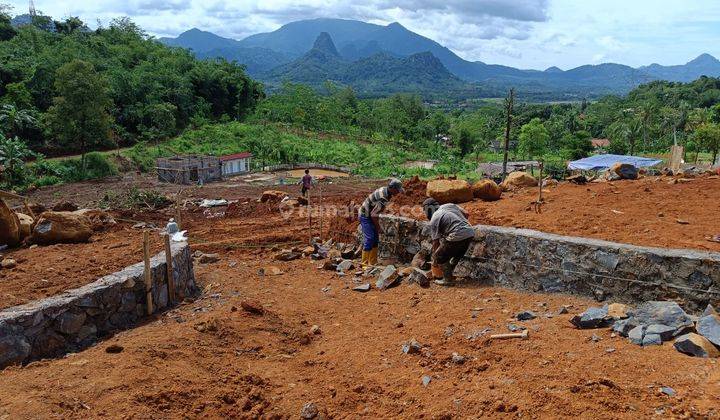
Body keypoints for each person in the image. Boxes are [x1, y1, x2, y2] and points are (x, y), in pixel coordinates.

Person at [422, 198, 475, 286]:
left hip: (457, 234)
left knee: (440, 256)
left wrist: (435, 259)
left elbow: (436, 242)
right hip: (470, 232)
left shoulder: (435, 218)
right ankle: (449, 274)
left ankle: (447, 280)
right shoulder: (449, 205)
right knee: (456, 255)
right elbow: (466, 214)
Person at [359, 178, 404, 266]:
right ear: (393, 188)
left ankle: (373, 262)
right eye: (397, 190)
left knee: (375, 239)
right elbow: (373, 215)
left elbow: (377, 211)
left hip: (370, 214)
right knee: (370, 238)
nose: (398, 193)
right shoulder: (383, 197)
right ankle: (364, 265)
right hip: (365, 215)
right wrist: (379, 227)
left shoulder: (387, 192)